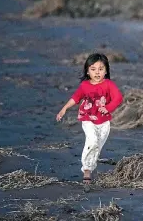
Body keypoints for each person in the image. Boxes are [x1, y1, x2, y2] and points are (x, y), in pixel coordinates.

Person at [56, 53, 123, 187]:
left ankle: (90, 167)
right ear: (87, 71)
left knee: (97, 146)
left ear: (106, 71)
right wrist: (64, 109)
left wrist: (108, 108)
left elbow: (118, 98)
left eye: (101, 69)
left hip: (104, 122)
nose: (97, 72)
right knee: (92, 141)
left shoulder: (109, 84)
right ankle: (86, 170)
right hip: (88, 118)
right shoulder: (85, 86)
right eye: (93, 69)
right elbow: (75, 98)